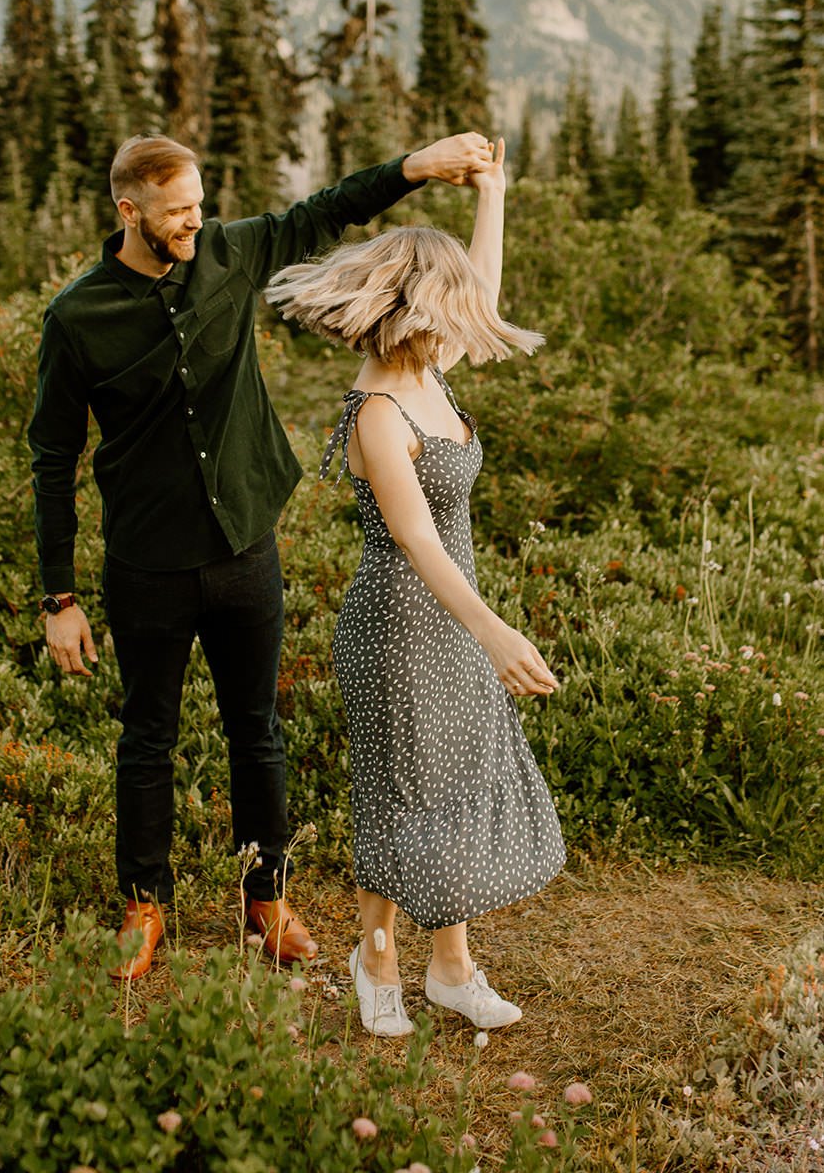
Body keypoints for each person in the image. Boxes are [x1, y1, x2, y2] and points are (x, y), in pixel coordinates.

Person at [27, 128, 497, 981]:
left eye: (200, 206)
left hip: (246, 544)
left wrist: (415, 168)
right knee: (147, 738)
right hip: (147, 562)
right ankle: (145, 907)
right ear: (129, 211)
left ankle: (267, 899)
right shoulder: (77, 316)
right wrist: (57, 599)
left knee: (258, 731)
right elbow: (51, 459)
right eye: (176, 213)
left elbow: (323, 212)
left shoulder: (227, 254)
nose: (194, 223)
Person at [264, 137, 565, 1035]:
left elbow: (488, 290)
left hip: (453, 619)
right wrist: (495, 632)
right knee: (405, 793)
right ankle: (377, 962)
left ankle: (452, 968)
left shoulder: (429, 374)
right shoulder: (381, 411)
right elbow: (416, 538)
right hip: (399, 624)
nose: (466, 317)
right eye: (451, 304)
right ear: (414, 310)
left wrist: (494, 194)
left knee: (456, 787)